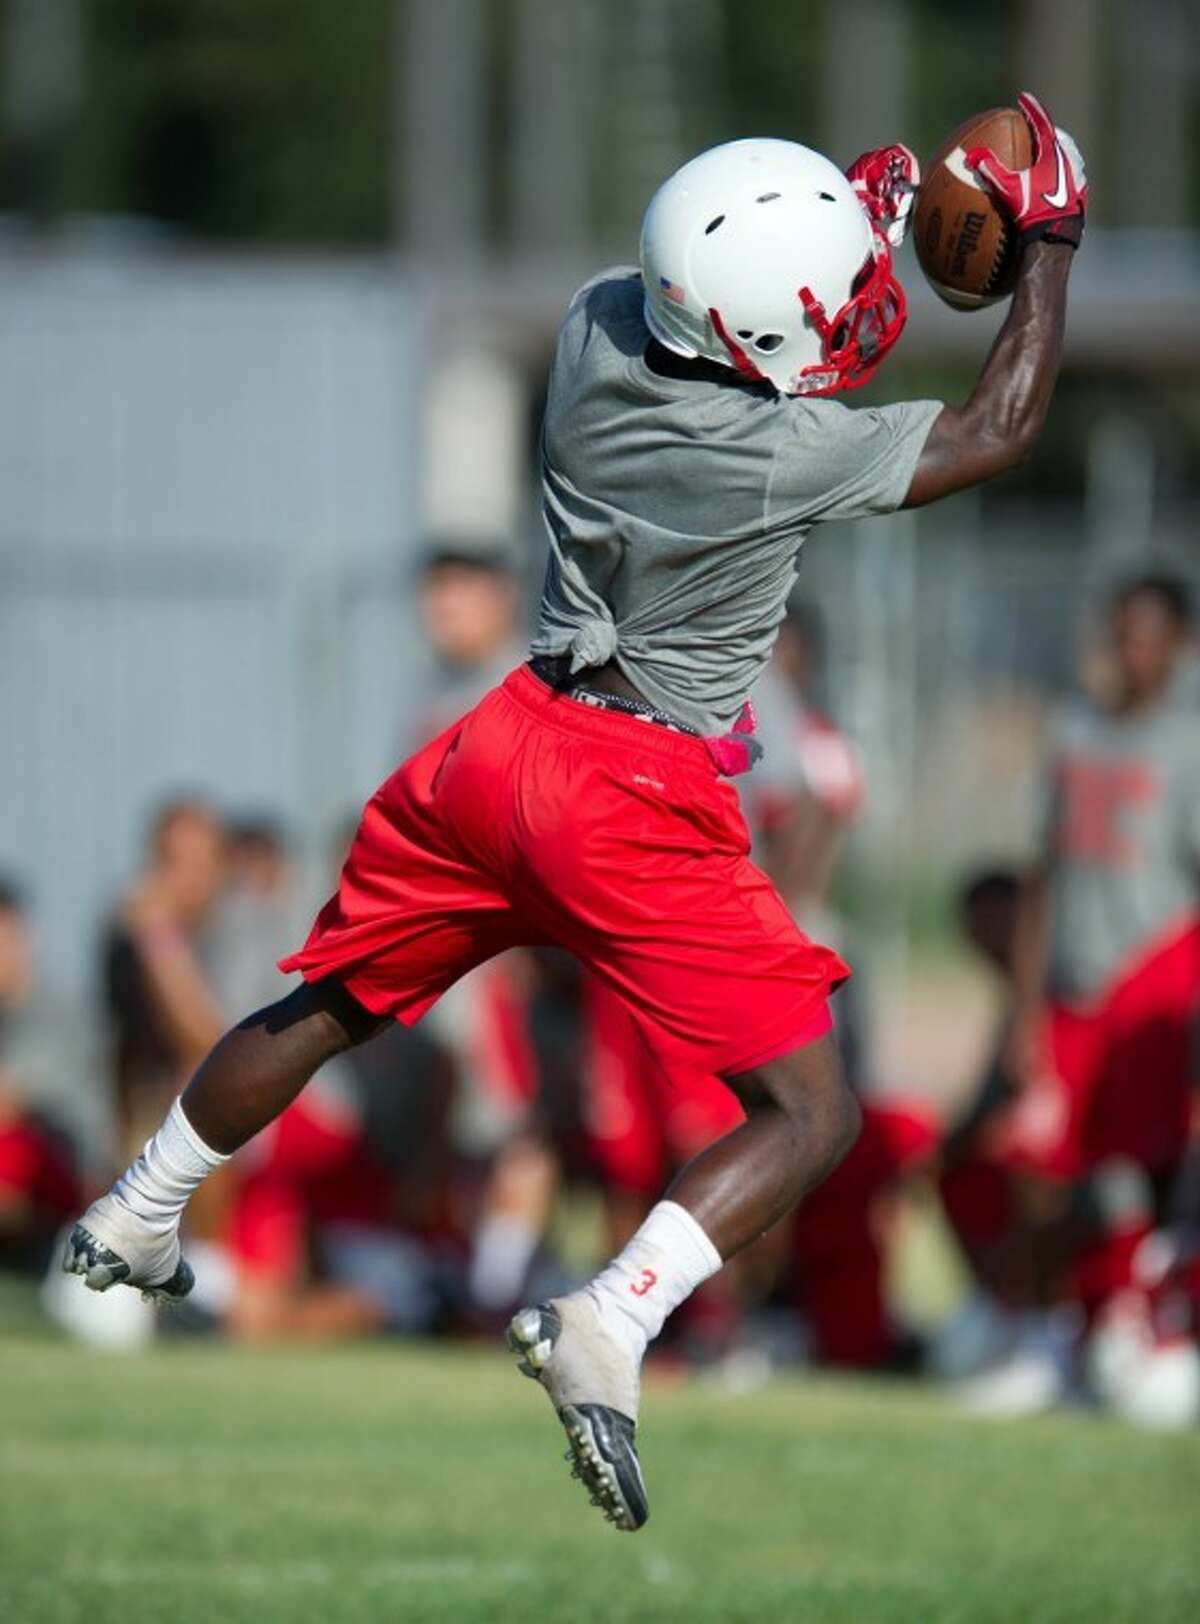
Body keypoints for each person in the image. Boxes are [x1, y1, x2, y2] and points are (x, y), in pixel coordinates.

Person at [66, 98, 1087, 1531]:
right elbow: (1002, 423)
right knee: (812, 1108)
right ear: (757, 331)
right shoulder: (771, 457)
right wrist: (1045, 247)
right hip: (635, 790)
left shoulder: (599, 322)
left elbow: (731, 303)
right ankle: (611, 1320)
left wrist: (834, 217)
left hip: (500, 745)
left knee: (331, 1003)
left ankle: (140, 1205)